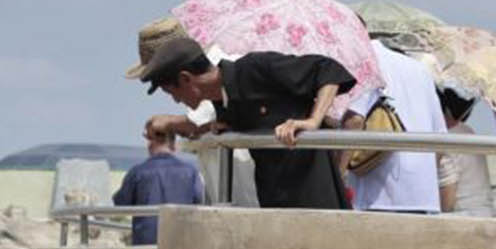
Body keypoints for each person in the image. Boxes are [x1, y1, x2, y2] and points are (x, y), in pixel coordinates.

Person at [138, 33, 356, 210]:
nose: (176, 100)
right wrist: (216, 128)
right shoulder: (223, 102)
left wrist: (312, 121)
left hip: (315, 196)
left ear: (186, 79)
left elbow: (328, 71)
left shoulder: (254, 68)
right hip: (274, 203)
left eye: (172, 92)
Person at [340, 39, 445, 215]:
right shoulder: (419, 69)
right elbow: (440, 137)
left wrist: (337, 175)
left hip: (376, 194)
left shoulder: (364, 63)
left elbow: (354, 121)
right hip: (422, 195)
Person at [111, 125, 205, 245]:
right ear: (173, 144)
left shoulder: (138, 172)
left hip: (146, 245)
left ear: (150, 143)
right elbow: (199, 200)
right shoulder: (191, 172)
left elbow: (120, 203)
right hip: (181, 245)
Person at [436, 87, 495, 217]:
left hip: (463, 219)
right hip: (485, 214)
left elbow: (447, 203)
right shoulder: (467, 131)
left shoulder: (444, 139)